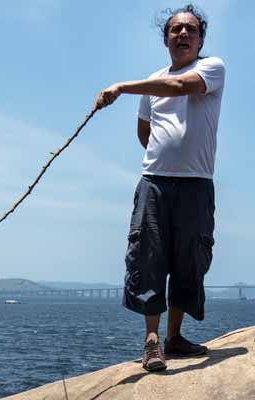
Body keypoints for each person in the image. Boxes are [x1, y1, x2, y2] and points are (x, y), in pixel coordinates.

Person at [92, 4, 225, 372]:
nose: (183, 34)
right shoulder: (152, 82)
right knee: (148, 258)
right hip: (154, 182)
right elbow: (144, 133)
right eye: (175, 30)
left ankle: (174, 337)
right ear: (165, 38)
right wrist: (165, 158)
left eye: (191, 30)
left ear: (200, 39)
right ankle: (152, 341)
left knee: (189, 259)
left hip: (197, 184)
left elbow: (180, 86)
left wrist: (121, 86)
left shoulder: (211, 68)